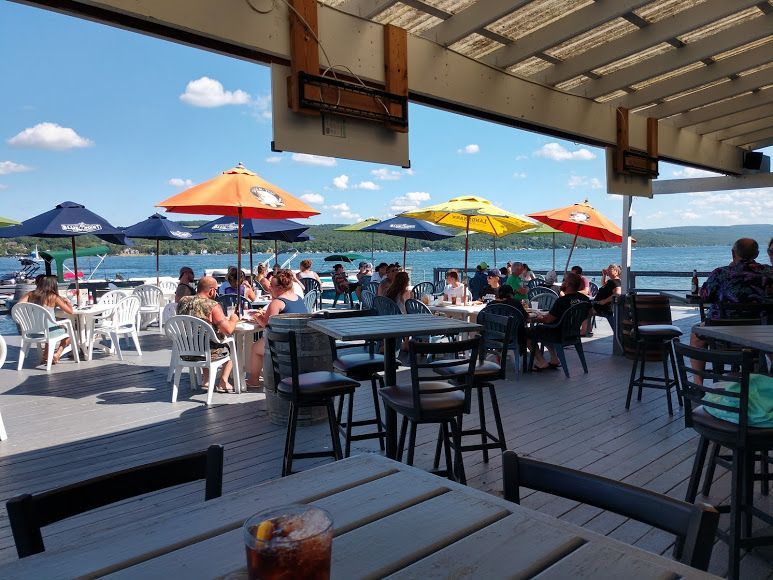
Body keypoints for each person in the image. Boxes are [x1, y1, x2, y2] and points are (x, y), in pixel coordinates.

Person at [690, 239, 772, 375]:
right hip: (758, 335)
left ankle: (698, 385)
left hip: (721, 335)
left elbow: (704, 296)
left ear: (733, 253)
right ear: (757, 254)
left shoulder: (720, 273)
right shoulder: (769, 273)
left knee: (696, 336)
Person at [176, 276, 239, 393]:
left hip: (185, 352)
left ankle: (206, 380)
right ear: (211, 291)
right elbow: (229, 330)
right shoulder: (212, 306)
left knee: (203, 338)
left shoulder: (182, 301)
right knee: (232, 345)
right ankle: (223, 382)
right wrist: (234, 319)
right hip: (207, 353)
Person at [247, 269, 308, 387]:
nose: (269, 288)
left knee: (255, 348)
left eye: (271, 286)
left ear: (279, 288)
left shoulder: (277, 303)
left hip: (283, 344)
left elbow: (266, 324)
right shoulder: (297, 298)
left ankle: (253, 380)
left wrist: (256, 315)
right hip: (300, 340)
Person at [528, 272, 590, 371]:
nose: (562, 283)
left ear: (568, 284)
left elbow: (548, 320)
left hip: (558, 334)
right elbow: (589, 314)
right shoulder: (585, 299)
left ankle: (541, 362)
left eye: (564, 281)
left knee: (527, 333)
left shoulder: (562, 301)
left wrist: (536, 317)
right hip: (573, 333)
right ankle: (554, 359)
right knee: (545, 330)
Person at [19, 275, 73, 364]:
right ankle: (57, 354)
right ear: (53, 285)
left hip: (31, 332)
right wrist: (67, 302)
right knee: (69, 333)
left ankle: (45, 356)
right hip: (48, 332)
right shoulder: (54, 297)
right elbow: (70, 311)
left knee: (49, 328)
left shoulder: (30, 294)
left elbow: (19, 305)